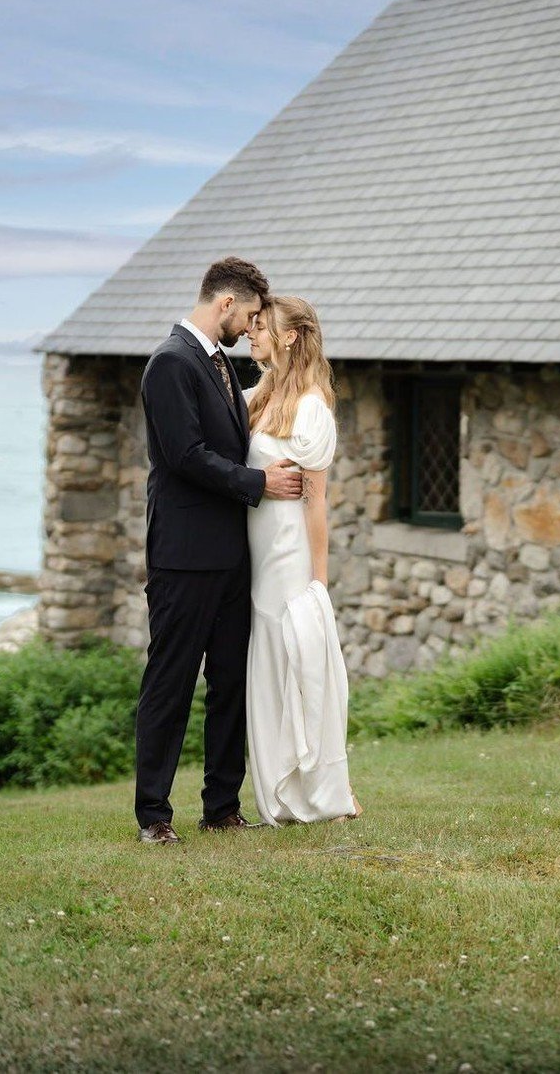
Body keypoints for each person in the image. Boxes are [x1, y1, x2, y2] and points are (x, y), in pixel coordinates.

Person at [134, 258, 305, 844]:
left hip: (233, 556)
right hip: (183, 557)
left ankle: (222, 807)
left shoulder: (221, 365)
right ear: (226, 303)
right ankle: (154, 816)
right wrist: (259, 484)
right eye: (251, 315)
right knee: (171, 683)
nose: (252, 326)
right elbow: (184, 455)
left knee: (231, 682)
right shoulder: (170, 363)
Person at [243, 296, 362, 824]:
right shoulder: (260, 395)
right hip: (257, 555)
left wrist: (319, 584)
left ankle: (324, 790)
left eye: (261, 326)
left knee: (299, 663)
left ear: (290, 336)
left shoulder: (312, 407)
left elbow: (316, 502)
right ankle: (279, 790)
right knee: (268, 669)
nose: (251, 333)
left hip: (289, 556)